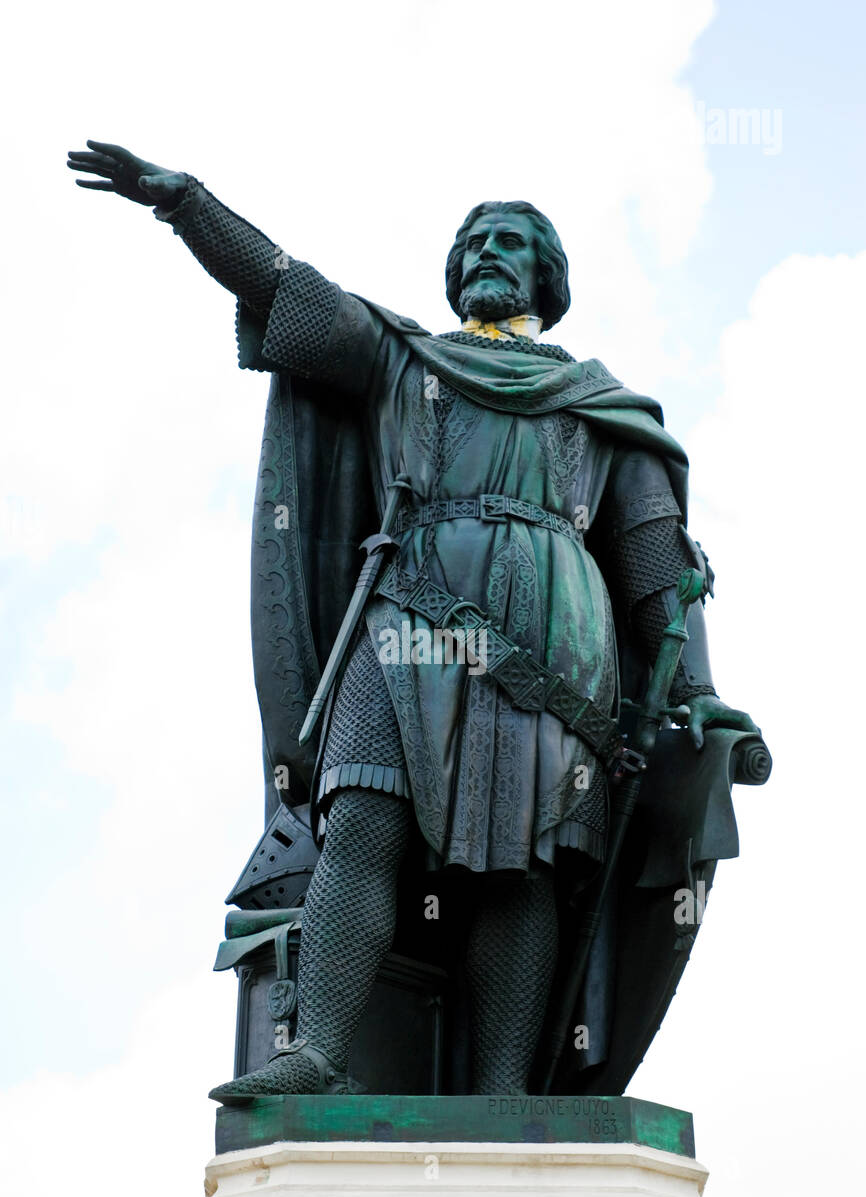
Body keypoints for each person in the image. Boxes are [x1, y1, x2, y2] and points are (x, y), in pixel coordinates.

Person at [68, 140, 760, 1099]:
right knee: (361, 819)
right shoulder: (398, 360)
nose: (488, 250)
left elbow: (657, 563)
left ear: (548, 279)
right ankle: (318, 1051)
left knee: (523, 863)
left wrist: (702, 697)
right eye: (475, 239)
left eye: (513, 242)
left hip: (554, 644)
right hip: (405, 621)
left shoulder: (602, 405)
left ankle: (507, 1094)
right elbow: (284, 288)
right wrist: (188, 205)